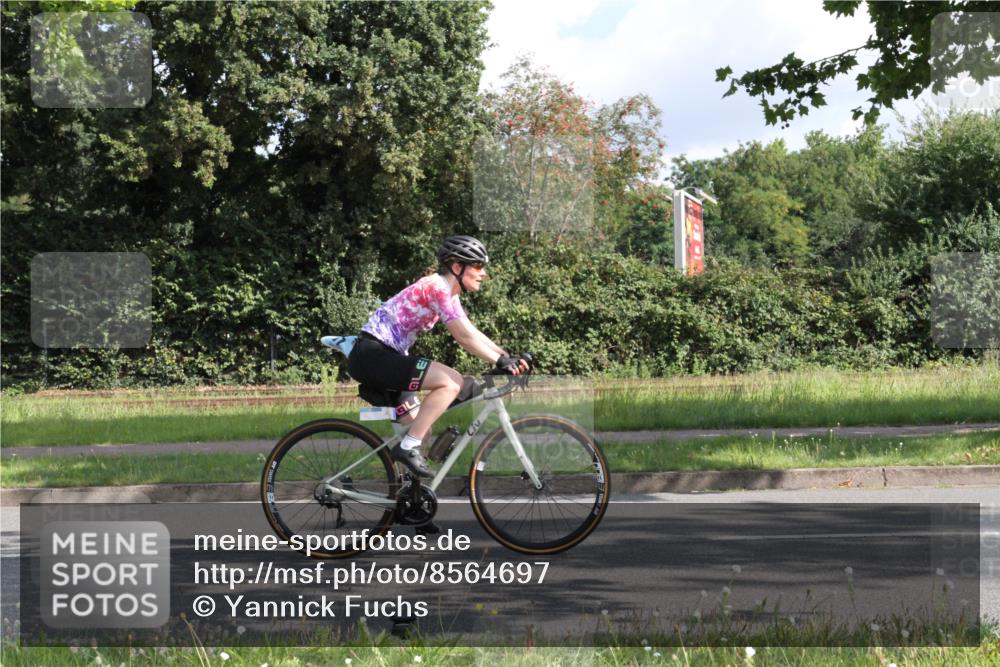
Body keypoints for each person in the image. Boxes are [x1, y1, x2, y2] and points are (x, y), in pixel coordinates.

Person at [347, 235, 530, 477]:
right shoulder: (436, 287)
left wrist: (506, 356)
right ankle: (407, 447)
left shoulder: (448, 293)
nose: (483, 273)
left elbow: (470, 331)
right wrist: (498, 361)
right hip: (374, 355)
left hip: (384, 356)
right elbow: (463, 337)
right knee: (451, 381)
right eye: (477, 266)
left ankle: (407, 501)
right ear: (457, 267)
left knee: (421, 430)